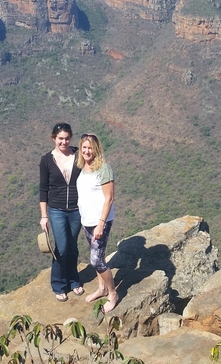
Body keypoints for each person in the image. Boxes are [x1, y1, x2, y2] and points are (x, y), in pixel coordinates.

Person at [39, 122, 84, 302]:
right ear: (54, 139)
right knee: (62, 247)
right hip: (56, 209)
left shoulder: (79, 156)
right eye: (60, 139)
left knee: (72, 246)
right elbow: (43, 189)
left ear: (70, 138)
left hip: (77, 209)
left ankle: (73, 280)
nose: (64, 142)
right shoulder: (46, 160)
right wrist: (44, 216)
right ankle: (58, 284)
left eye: (66, 138)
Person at [76, 133, 119, 313]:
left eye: (90, 147)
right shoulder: (83, 168)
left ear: (96, 149)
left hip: (100, 221)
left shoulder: (104, 169)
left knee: (96, 261)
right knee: (96, 256)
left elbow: (109, 199)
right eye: (84, 147)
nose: (87, 151)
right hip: (87, 220)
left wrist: (101, 224)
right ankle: (101, 289)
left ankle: (112, 293)